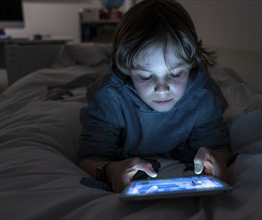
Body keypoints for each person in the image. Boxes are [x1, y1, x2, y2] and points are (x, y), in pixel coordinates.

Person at [77, 0, 231, 193]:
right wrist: (109, 170)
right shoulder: (109, 99)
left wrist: (218, 158)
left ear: (190, 64)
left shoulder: (204, 97)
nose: (162, 89)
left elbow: (220, 148)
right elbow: (89, 158)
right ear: (127, 69)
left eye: (175, 73)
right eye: (146, 76)